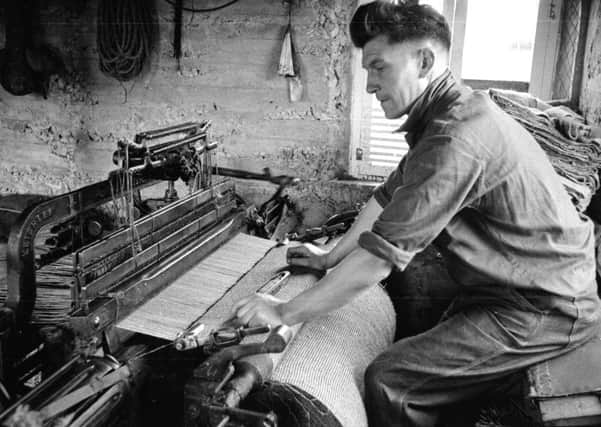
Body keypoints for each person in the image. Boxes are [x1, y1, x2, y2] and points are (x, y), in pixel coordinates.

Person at [231, 2, 601, 426]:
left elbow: (378, 260)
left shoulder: (456, 139)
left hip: (545, 308)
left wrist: (283, 312)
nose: (370, 84)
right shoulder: (447, 117)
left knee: (392, 380)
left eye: (379, 67)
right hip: (513, 291)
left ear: (424, 60)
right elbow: (385, 200)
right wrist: (328, 259)